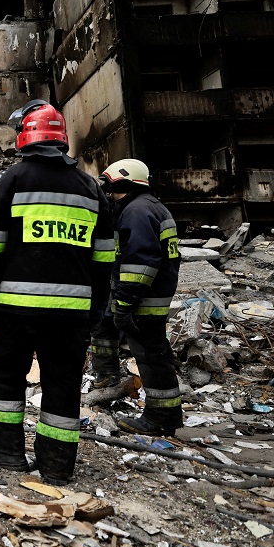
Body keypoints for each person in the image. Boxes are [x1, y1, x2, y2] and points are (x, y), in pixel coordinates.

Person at [0, 100, 115, 485]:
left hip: (16, 309)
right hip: (71, 314)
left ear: (25, 137)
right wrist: (97, 309)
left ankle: (8, 453)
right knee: (63, 384)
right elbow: (104, 260)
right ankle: (57, 465)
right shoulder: (90, 189)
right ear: (62, 139)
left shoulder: (11, 181)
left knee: (5, 377)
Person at [93, 158, 182, 436]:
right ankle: (163, 415)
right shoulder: (147, 206)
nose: (107, 192)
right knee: (154, 354)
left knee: (152, 358)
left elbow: (140, 263)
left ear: (123, 181)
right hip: (152, 296)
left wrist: (124, 303)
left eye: (109, 185)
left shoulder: (137, 212)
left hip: (144, 299)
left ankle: (160, 418)